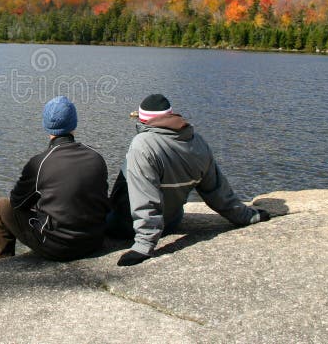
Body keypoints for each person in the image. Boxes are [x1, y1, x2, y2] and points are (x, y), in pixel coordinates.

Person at [111, 94, 270, 266]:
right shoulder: (198, 141)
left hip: (125, 226)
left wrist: (143, 245)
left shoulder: (143, 144)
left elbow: (145, 198)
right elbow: (216, 191)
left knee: (131, 162)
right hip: (172, 221)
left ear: (143, 121)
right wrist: (247, 216)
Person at [0, 96, 110, 262]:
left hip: (59, 248)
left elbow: (17, 203)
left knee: (0, 207)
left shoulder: (39, 163)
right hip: (95, 241)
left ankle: (1, 267)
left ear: (46, 126)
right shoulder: (96, 157)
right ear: (74, 124)